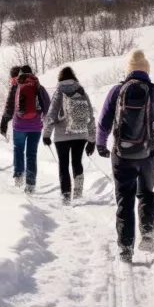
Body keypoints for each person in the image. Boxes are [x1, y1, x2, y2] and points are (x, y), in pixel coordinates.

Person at [96, 50, 154, 263]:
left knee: (124, 200)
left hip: (122, 155)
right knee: (146, 193)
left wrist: (101, 144)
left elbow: (103, 122)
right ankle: (147, 233)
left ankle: (125, 248)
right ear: (147, 71)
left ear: (128, 71)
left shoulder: (117, 91)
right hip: (149, 154)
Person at [43, 66, 96, 205]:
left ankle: (66, 195)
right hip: (80, 134)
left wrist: (46, 134)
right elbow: (90, 115)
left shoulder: (58, 92)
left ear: (60, 78)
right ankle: (78, 193)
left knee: (64, 165)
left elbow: (52, 115)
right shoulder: (81, 91)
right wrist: (92, 139)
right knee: (77, 162)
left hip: (62, 136)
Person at [0, 64, 50, 194]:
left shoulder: (16, 87)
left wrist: (4, 122)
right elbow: (48, 106)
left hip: (19, 126)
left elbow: (9, 107)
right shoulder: (38, 87)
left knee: (18, 150)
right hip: (35, 127)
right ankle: (31, 184)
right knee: (31, 154)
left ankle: (18, 176)